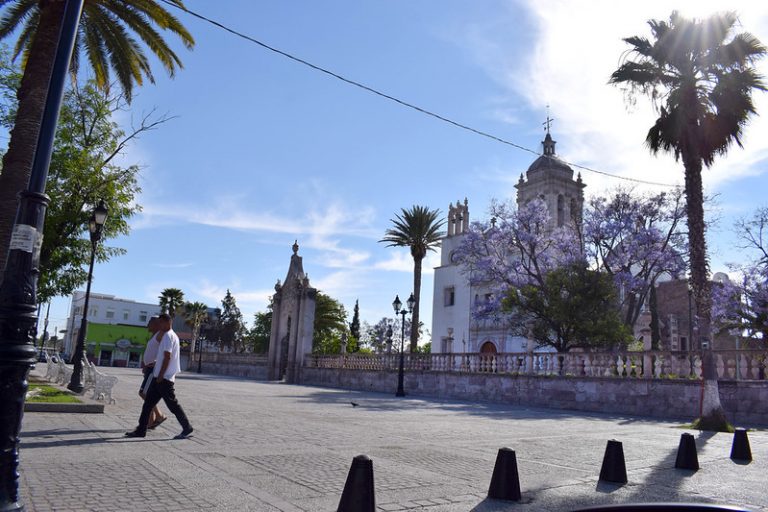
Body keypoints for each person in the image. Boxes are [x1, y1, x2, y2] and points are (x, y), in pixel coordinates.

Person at [125, 313, 193, 439]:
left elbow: (167, 357)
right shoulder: (171, 336)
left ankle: (187, 427)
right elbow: (163, 357)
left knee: (173, 405)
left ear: (167, 322)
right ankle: (141, 430)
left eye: (161, 323)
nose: (159, 325)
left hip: (164, 379)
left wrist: (161, 375)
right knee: (148, 405)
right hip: (159, 378)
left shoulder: (168, 336)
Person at [139, 317, 167, 429]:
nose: (148, 324)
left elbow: (167, 349)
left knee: (144, 394)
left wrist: (157, 363)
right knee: (147, 394)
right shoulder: (154, 335)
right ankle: (152, 420)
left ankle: (158, 416)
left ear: (157, 324)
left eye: (150, 322)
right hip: (149, 369)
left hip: (153, 370)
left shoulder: (160, 334)